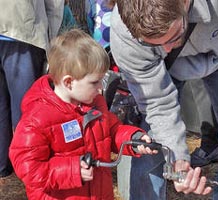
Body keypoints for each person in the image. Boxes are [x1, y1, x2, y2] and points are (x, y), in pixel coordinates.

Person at [109, 0, 218, 199]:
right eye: (152, 43)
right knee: (152, 147)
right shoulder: (124, 35)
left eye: (174, 36)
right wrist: (177, 161)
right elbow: (157, 103)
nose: (166, 49)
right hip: (163, 70)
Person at [9, 29, 158, 200]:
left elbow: (111, 131)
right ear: (69, 82)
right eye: (94, 82)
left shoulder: (95, 103)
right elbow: (28, 167)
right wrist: (72, 171)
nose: (100, 88)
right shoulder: (37, 119)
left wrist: (133, 139)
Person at [0, 0, 64, 179]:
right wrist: (50, 39)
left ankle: (6, 166)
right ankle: (30, 167)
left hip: (21, 29)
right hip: (22, 30)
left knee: (21, 109)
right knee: (26, 108)